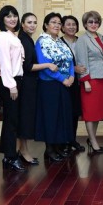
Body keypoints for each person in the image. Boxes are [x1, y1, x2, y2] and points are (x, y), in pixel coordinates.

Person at [17, 13, 57, 164]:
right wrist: (48, 65)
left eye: (34, 22)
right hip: (26, 85)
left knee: (26, 119)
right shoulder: (24, 40)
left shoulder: (28, 39)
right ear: (22, 24)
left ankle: (23, 150)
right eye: (29, 22)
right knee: (25, 119)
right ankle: (23, 151)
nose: (32, 25)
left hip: (30, 84)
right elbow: (27, 66)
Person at [35, 13, 76, 161]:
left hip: (65, 83)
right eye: (53, 22)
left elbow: (70, 60)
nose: (57, 25)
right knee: (51, 117)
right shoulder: (42, 41)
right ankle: (49, 149)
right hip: (49, 84)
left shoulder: (60, 41)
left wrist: (72, 76)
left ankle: (58, 146)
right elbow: (44, 65)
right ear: (46, 25)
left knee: (61, 116)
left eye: (59, 23)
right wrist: (62, 79)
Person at [0, 5, 26, 173]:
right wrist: (11, 85)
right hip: (10, 82)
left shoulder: (13, 36)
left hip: (17, 80)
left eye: (14, 16)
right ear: (2, 19)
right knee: (11, 120)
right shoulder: (2, 36)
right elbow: (4, 63)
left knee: (13, 119)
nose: (12, 19)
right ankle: (10, 156)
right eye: (8, 16)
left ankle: (8, 154)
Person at [75, 11, 103, 154]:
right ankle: (93, 141)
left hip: (101, 79)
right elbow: (81, 61)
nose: (93, 24)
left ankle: (92, 138)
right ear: (85, 24)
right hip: (90, 80)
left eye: (96, 22)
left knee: (97, 112)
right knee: (90, 112)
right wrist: (85, 81)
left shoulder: (100, 37)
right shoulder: (83, 39)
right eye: (90, 22)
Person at [61, 15, 84, 149]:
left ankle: (72, 139)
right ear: (63, 27)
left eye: (74, 24)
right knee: (65, 112)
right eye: (68, 24)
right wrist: (73, 69)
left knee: (75, 111)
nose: (71, 27)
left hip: (80, 81)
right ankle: (64, 141)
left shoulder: (81, 41)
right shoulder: (59, 42)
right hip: (65, 81)